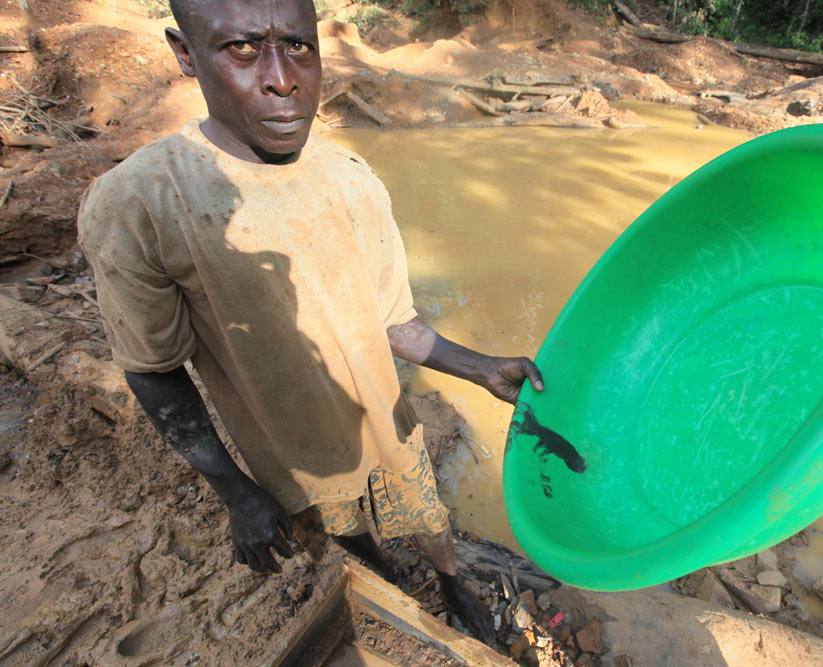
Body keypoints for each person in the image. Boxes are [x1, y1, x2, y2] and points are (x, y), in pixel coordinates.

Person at [76, 0, 543, 640]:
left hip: (388, 431)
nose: (282, 78)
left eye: (298, 46)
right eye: (243, 49)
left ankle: (451, 585)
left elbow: (394, 322)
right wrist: (236, 493)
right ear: (185, 53)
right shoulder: (139, 202)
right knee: (344, 538)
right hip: (292, 458)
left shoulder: (352, 179)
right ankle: (381, 576)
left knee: (430, 524)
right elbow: (154, 371)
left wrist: (479, 367)